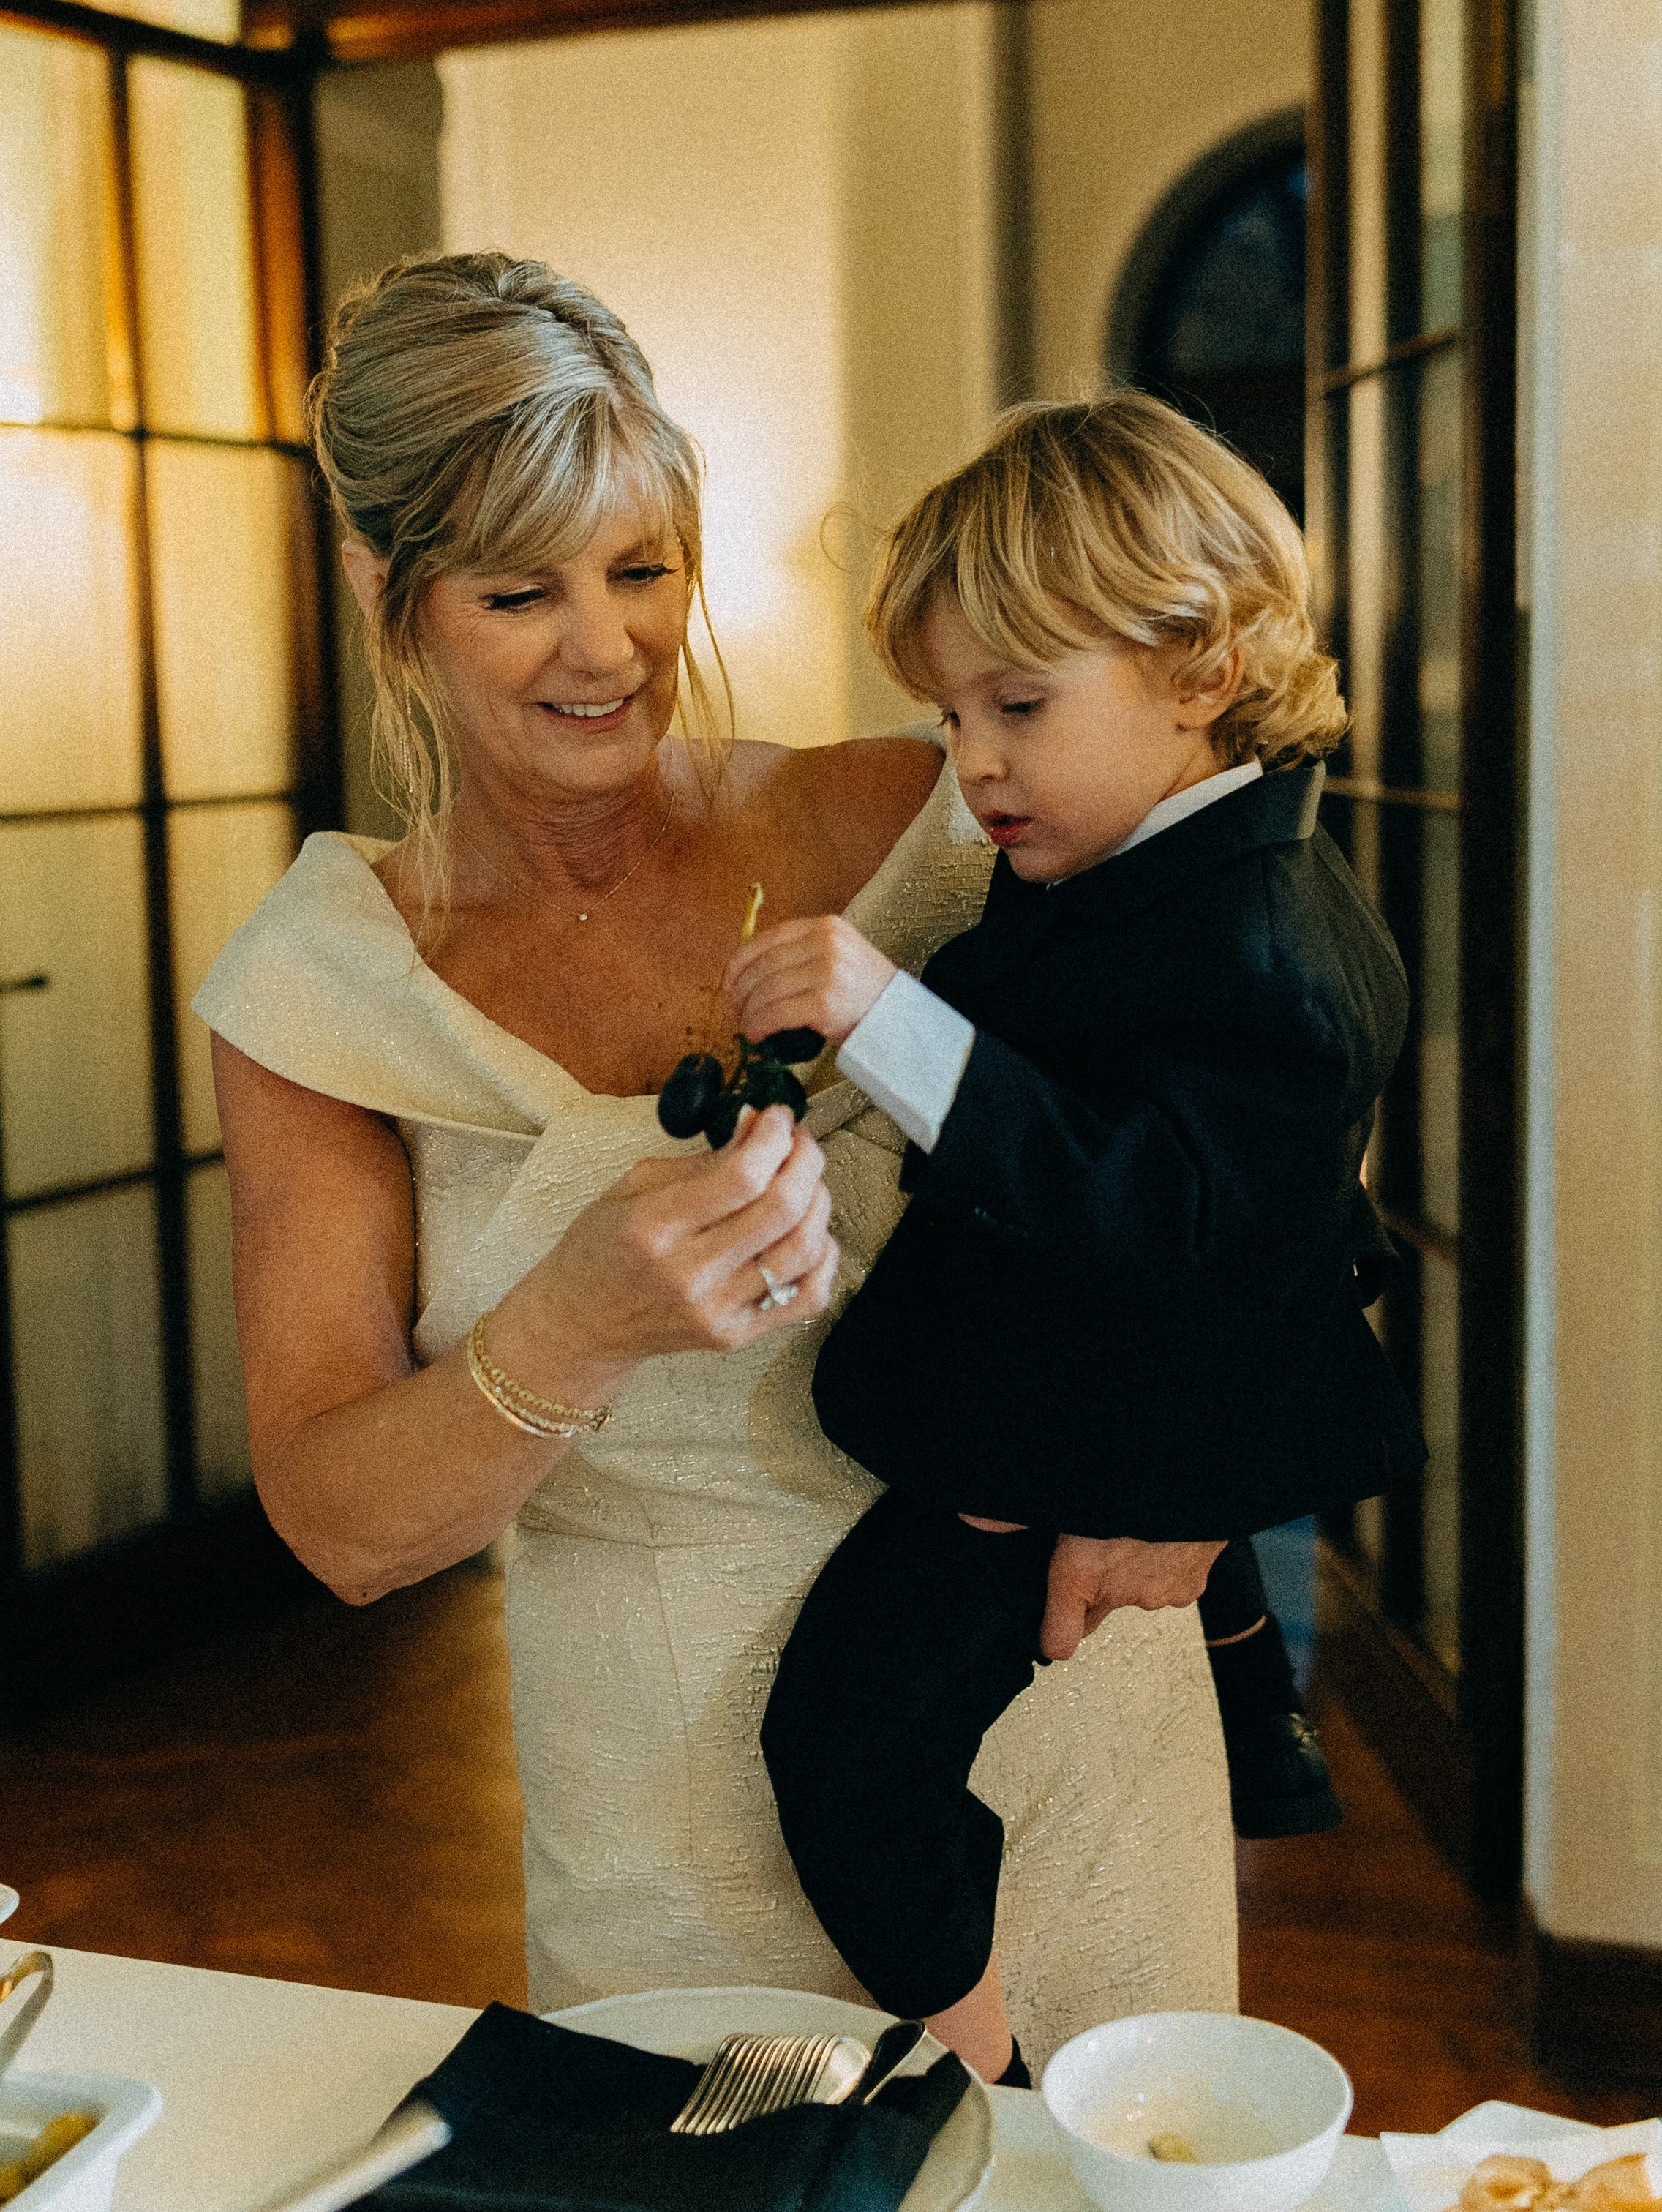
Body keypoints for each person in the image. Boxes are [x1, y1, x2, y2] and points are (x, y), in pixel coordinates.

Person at [195, 255, 1238, 2076]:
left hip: (1063, 1723)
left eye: (643, 570)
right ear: (385, 590)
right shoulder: (322, 992)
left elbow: (1257, 1107)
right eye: (520, 591)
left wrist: (1207, 1441)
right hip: (680, 1814)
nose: (605, 650)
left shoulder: (923, 816)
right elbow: (339, 1528)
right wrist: (575, 1329)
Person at [732, 394, 1424, 2085]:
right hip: (1047, 1404)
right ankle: (1253, 1704)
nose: (971, 765)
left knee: (837, 1747)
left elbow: (1162, 1215)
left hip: (1070, 1433)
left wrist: (890, 1021)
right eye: (952, 711)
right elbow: (1051, 1022)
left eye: (1016, 705)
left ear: (1199, 666)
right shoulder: (1142, 861)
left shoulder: (1266, 946)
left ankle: (994, 2078)